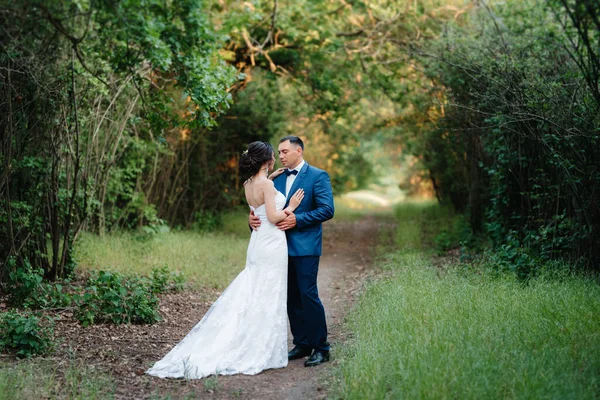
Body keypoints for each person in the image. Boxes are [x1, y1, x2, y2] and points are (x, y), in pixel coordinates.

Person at [146, 141, 304, 379]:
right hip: (271, 244)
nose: (275, 158)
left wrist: (271, 176)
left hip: (257, 244)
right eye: (273, 155)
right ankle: (261, 349)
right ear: (267, 160)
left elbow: (259, 202)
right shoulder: (268, 185)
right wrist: (291, 206)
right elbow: (272, 216)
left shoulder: (248, 183)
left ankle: (249, 338)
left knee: (256, 290)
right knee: (269, 292)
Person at [250, 135, 335, 367]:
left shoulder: (318, 176)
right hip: (277, 247)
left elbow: (327, 210)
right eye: (279, 152)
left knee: (308, 295)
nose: (281, 156)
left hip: (306, 246)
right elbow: (264, 208)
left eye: (285, 151)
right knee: (290, 297)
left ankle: (321, 347)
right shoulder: (274, 179)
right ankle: (302, 342)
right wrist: (253, 219)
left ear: (299, 151)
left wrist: (298, 220)